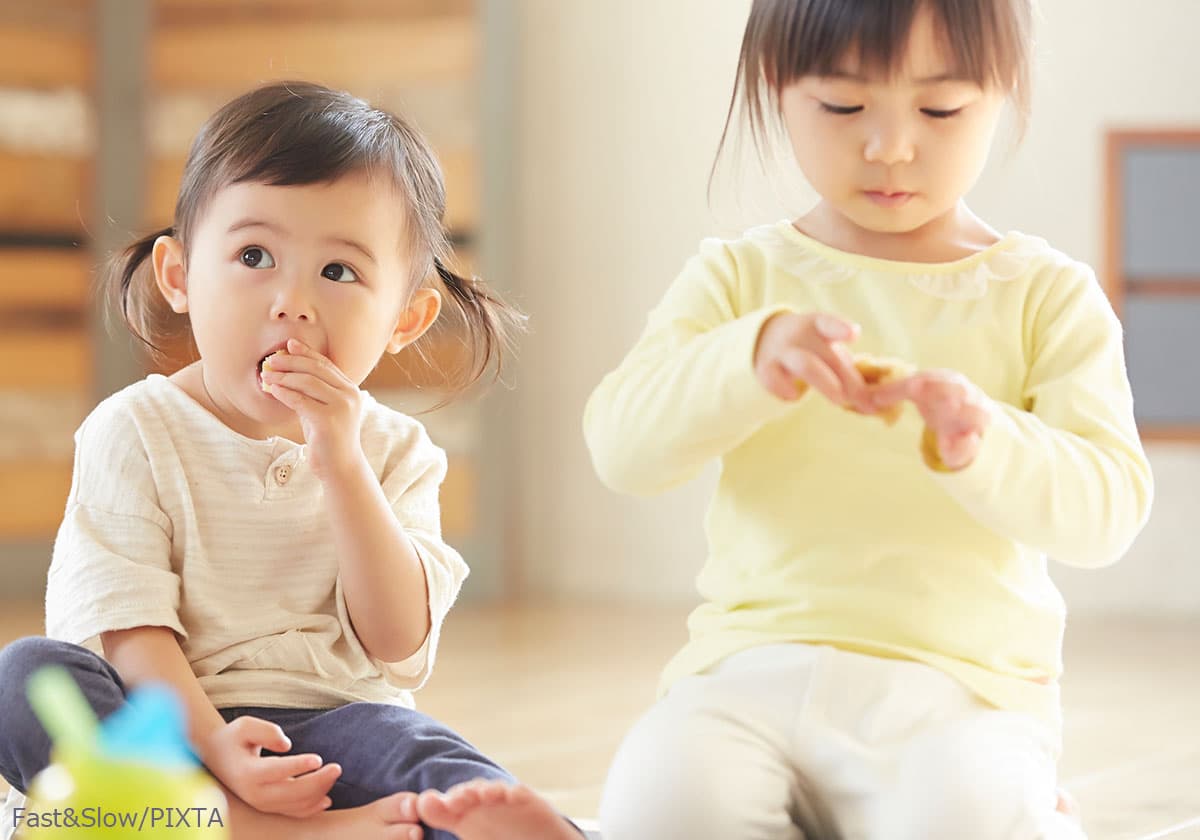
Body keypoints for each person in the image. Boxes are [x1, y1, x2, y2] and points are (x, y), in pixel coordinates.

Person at [584, 2, 1153, 838]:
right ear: (779, 88)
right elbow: (622, 450)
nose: (889, 147)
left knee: (968, 816)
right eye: (845, 107)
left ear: (1003, 91)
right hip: (746, 674)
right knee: (662, 803)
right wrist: (746, 362)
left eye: (940, 109)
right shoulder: (740, 278)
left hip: (965, 694)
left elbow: (1106, 513)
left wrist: (986, 440)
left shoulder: (1044, 295)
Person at [0, 80, 581, 840]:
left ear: (406, 319)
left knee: (422, 753)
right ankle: (261, 831)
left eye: (338, 272)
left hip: (336, 736)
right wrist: (215, 746)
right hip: (166, 738)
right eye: (253, 256)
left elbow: (396, 641)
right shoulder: (135, 430)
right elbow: (129, 632)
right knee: (29, 678)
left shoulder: (396, 453)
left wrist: (341, 462)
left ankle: (518, 828)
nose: (292, 303)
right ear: (179, 276)